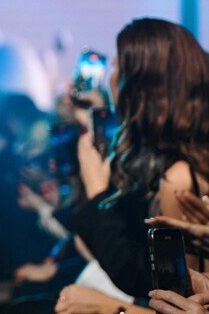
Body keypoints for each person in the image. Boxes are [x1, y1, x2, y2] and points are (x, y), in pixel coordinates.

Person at [53, 19, 209, 314]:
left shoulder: (178, 179)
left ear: (141, 87)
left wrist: (110, 309)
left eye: (116, 68)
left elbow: (167, 296)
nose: (109, 78)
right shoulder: (165, 158)